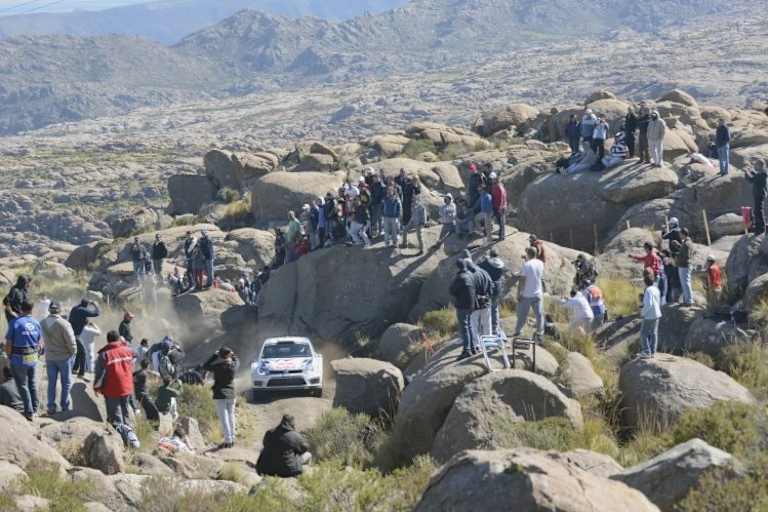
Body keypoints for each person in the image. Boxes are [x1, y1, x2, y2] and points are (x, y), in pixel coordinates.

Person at [94, 331, 139, 448]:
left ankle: (122, 445)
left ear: (108, 340)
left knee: (116, 418)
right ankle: (132, 440)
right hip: (127, 387)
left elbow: (99, 373)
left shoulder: (104, 355)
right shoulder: (128, 350)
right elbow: (135, 355)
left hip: (112, 389)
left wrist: (97, 387)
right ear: (119, 339)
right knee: (126, 414)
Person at [5, 300, 42, 421]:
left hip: (18, 359)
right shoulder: (36, 323)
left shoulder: (15, 323)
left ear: (21, 308)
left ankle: (29, 412)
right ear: (32, 309)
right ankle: (35, 408)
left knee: (22, 385)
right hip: (33, 358)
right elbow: (39, 343)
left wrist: (9, 356)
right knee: (32, 383)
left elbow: (9, 343)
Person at [41, 301, 77, 415]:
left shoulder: (42, 322)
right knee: (65, 383)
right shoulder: (64, 324)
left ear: (49, 310)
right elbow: (71, 342)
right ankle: (64, 406)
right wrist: (73, 353)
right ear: (60, 310)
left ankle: (51, 407)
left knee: (51, 383)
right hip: (64, 357)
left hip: (50, 357)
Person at [202, 347, 239, 449]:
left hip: (220, 395)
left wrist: (214, 355)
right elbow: (237, 360)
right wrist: (232, 355)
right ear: (228, 355)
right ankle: (232, 438)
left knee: (224, 418)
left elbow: (205, 366)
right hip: (231, 393)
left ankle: (228, 440)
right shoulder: (233, 366)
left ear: (220, 356)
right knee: (231, 416)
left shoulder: (217, 366)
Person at [513, 247, 545, 341]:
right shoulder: (541, 263)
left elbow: (522, 280)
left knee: (522, 315)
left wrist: (519, 293)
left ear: (528, 254)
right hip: (538, 293)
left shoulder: (526, 265)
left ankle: (518, 332)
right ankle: (540, 333)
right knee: (539, 315)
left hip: (527, 294)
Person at [450, 259, 477, 360]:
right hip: (472, 305)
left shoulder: (460, 277)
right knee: (469, 326)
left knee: (464, 328)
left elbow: (452, 290)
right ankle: (473, 348)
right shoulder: (470, 275)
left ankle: (467, 351)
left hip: (462, 305)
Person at [68, 299, 100, 379]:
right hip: (76, 335)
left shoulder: (75, 308)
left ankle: (75, 369)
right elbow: (96, 313)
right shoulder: (82, 310)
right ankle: (81, 373)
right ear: (86, 305)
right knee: (83, 353)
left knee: (79, 352)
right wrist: (96, 305)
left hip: (72, 333)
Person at [478, 249, 506, 337]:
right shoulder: (501, 264)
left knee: (485, 308)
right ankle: (494, 327)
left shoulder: (487, 263)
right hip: (498, 288)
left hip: (488, 288)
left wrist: (485, 259)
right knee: (494, 308)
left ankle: (483, 328)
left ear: (490, 255)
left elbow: (478, 266)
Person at [639, 272, 662, 358]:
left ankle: (646, 351)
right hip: (657, 314)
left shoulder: (648, 290)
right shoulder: (656, 289)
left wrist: (643, 313)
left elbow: (649, 304)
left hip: (649, 315)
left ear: (645, 282)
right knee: (654, 333)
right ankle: (652, 351)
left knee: (643, 333)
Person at [672, 228, 694, 305]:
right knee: (684, 283)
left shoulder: (687, 243)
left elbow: (686, 255)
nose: (679, 235)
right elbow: (683, 250)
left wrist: (677, 256)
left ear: (684, 234)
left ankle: (689, 301)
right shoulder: (686, 242)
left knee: (686, 283)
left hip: (684, 265)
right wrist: (678, 246)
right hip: (684, 265)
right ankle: (686, 300)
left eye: (680, 234)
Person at [745, 161, 767, 234]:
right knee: (757, 211)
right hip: (759, 194)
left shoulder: (762, 174)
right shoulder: (762, 173)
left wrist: (747, 172)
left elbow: (751, 180)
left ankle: (761, 228)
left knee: (758, 211)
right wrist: (750, 171)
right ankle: (759, 227)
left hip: (759, 194)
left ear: (760, 166)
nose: (755, 166)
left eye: (756, 165)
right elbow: (755, 176)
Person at [401, 176, 421, 245]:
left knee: (410, 215)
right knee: (408, 215)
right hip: (408, 203)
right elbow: (415, 193)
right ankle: (407, 226)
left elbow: (418, 192)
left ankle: (408, 226)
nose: (414, 181)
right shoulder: (409, 186)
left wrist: (416, 186)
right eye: (414, 180)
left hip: (410, 204)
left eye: (415, 180)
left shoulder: (413, 186)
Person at [491, 174, 508, 241]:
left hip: (499, 207)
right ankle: (501, 235)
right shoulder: (499, 186)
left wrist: (500, 207)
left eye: (493, 179)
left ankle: (501, 236)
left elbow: (501, 198)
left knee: (501, 222)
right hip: (499, 206)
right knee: (501, 222)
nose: (492, 180)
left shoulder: (498, 187)